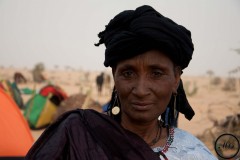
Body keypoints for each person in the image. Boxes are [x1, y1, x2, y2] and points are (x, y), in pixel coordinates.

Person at [25, 5, 217, 160]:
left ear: (176, 80)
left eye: (156, 73)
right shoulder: (76, 134)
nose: (141, 90)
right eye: (128, 73)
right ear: (114, 76)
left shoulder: (194, 153)